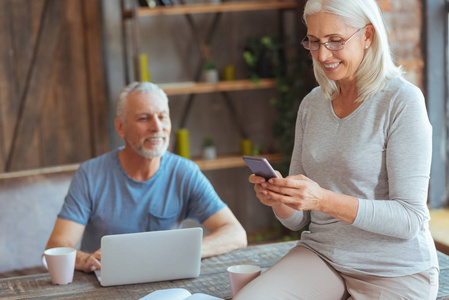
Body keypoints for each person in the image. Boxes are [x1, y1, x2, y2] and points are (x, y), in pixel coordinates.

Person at [236, 0, 439, 299]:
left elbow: (409, 219)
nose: (323, 54)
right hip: (322, 257)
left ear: (368, 35)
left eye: (335, 41)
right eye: (315, 42)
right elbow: (297, 220)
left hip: (393, 269)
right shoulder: (312, 104)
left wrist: (322, 199)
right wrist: (280, 198)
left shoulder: (402, 101)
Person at [46, 82, 247, 273]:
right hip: (103, 282)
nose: (157, 127)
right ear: (120, 127)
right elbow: (57, 245)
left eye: (163, 116)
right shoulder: (90, 174)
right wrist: (86, 260)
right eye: (144, 118)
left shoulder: (185, 172)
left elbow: (235, 233)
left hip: (165, 279)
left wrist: (183, 252)